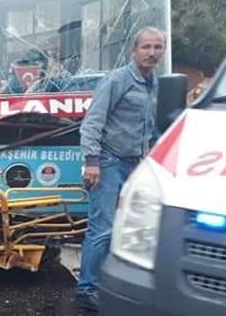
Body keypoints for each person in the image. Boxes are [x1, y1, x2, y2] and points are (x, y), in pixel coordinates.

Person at [76, 27, 166, 311]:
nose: (152, 53)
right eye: (146, 47)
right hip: (108, 162)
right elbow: (92, 123)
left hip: (135, 164)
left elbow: (151, 128)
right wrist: (92, 162)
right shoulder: (117, 81)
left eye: (157, 47)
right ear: (134, 50)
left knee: (131, 228)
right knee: (102, 229)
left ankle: (111, 284)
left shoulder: (156, 84)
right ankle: (87, 290)